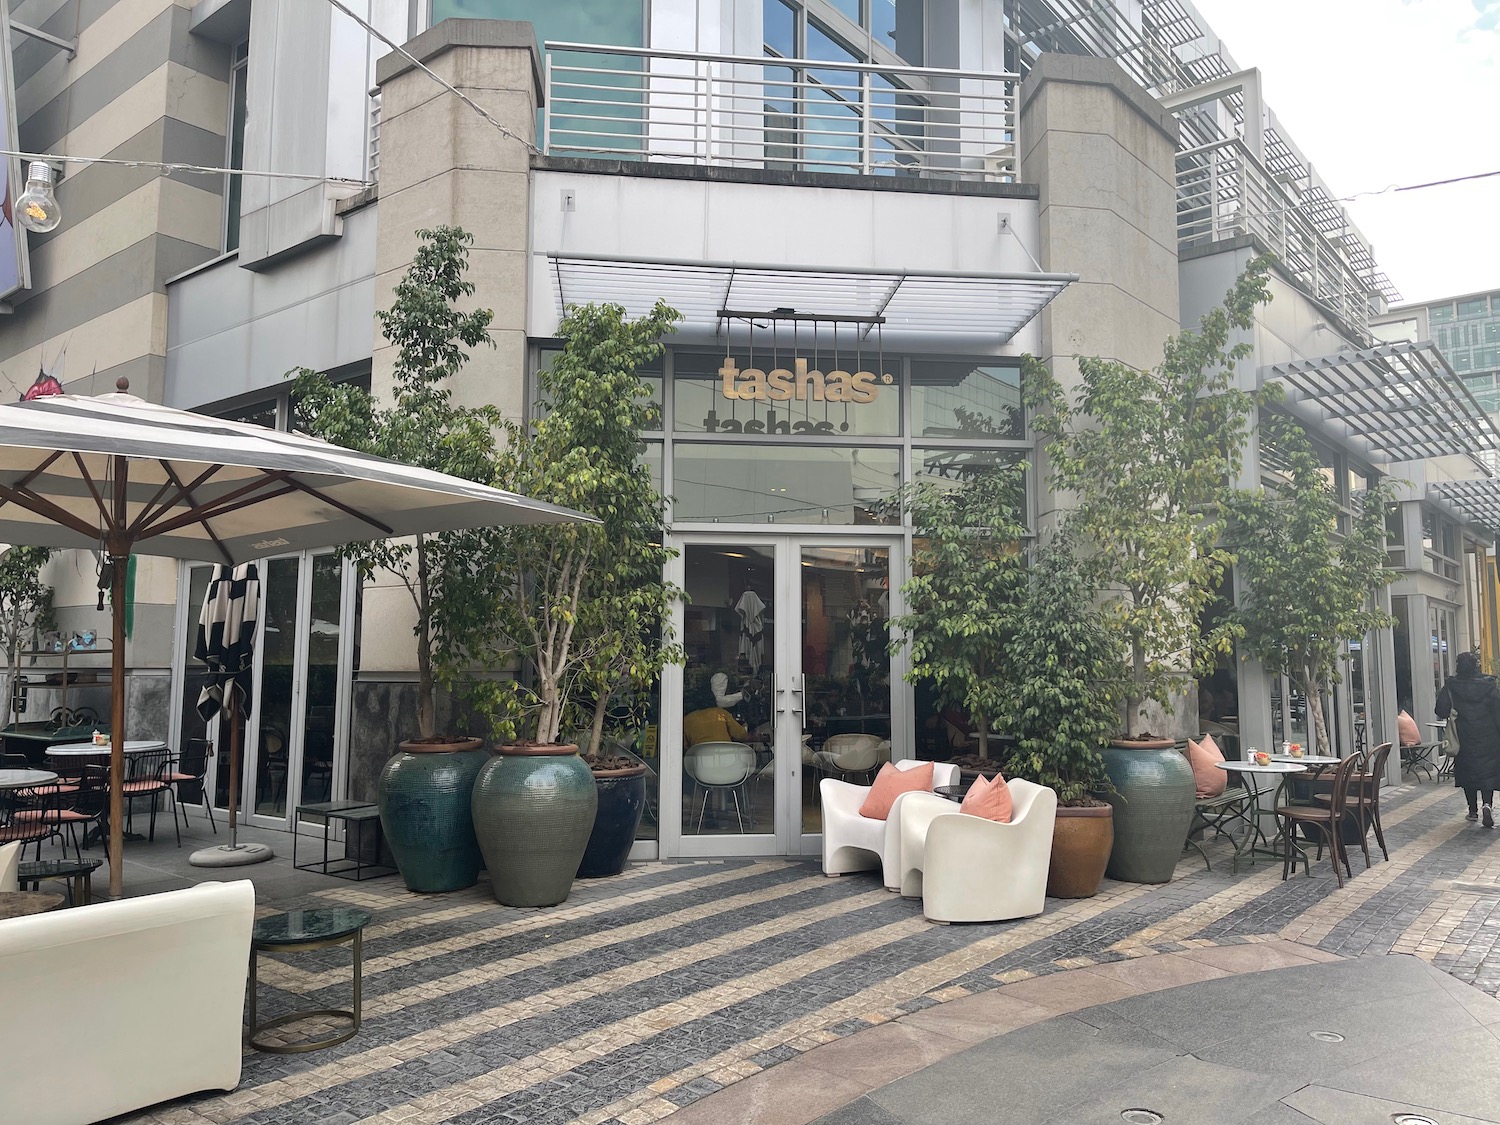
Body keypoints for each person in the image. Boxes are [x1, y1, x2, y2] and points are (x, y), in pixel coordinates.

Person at [1435, 651, 1500, 828]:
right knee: (1488, 772)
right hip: (1489, 737)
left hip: (1463, 736)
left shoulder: (1451, 686)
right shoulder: (1488, 686)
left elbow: (1440, 710)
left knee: (1468, 771)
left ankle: (1472, 810)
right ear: (1476, 665)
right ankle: (1487, 804)